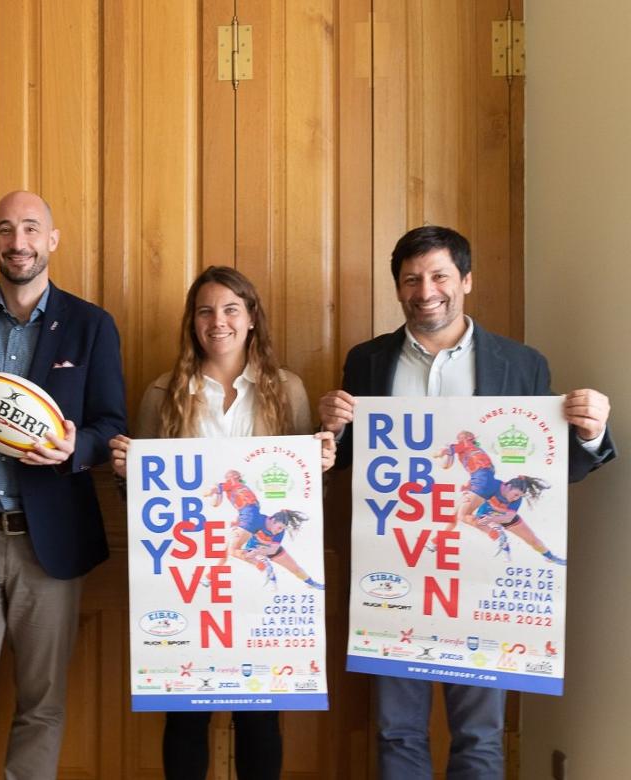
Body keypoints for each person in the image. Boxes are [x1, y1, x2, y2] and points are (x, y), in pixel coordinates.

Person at [317, 225, 616, 778]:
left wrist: (591, 434)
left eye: (438, 275)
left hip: (484, 585)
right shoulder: (367, 362)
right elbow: (349, 462)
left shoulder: (522, 364)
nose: (425, 290)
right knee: (396, 733)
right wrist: (329, 433)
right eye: (411, 279)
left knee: (480, 738)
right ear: (398, 289)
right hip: (397, 574)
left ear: (466, 280)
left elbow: (545, 473)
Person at [0, 190, 127, 779]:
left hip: (50, 545)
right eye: (6, 230)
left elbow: (112, 425)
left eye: (31, 229)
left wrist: (75, 448)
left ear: (52, 240)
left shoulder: (91, 325)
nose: (19, 243)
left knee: (42, 706)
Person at [108, 266, 335, 780]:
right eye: (206, 310)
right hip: (189, 578)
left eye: (232, 309)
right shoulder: (162, 392)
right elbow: (140, 499)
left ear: (251, 318)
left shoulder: (288, 390)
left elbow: (306, 494)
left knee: (260, 717)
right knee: (185, 715)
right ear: (192, 321)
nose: (219, 321)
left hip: (258, 578)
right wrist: (125, 471)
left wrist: (320, 464)